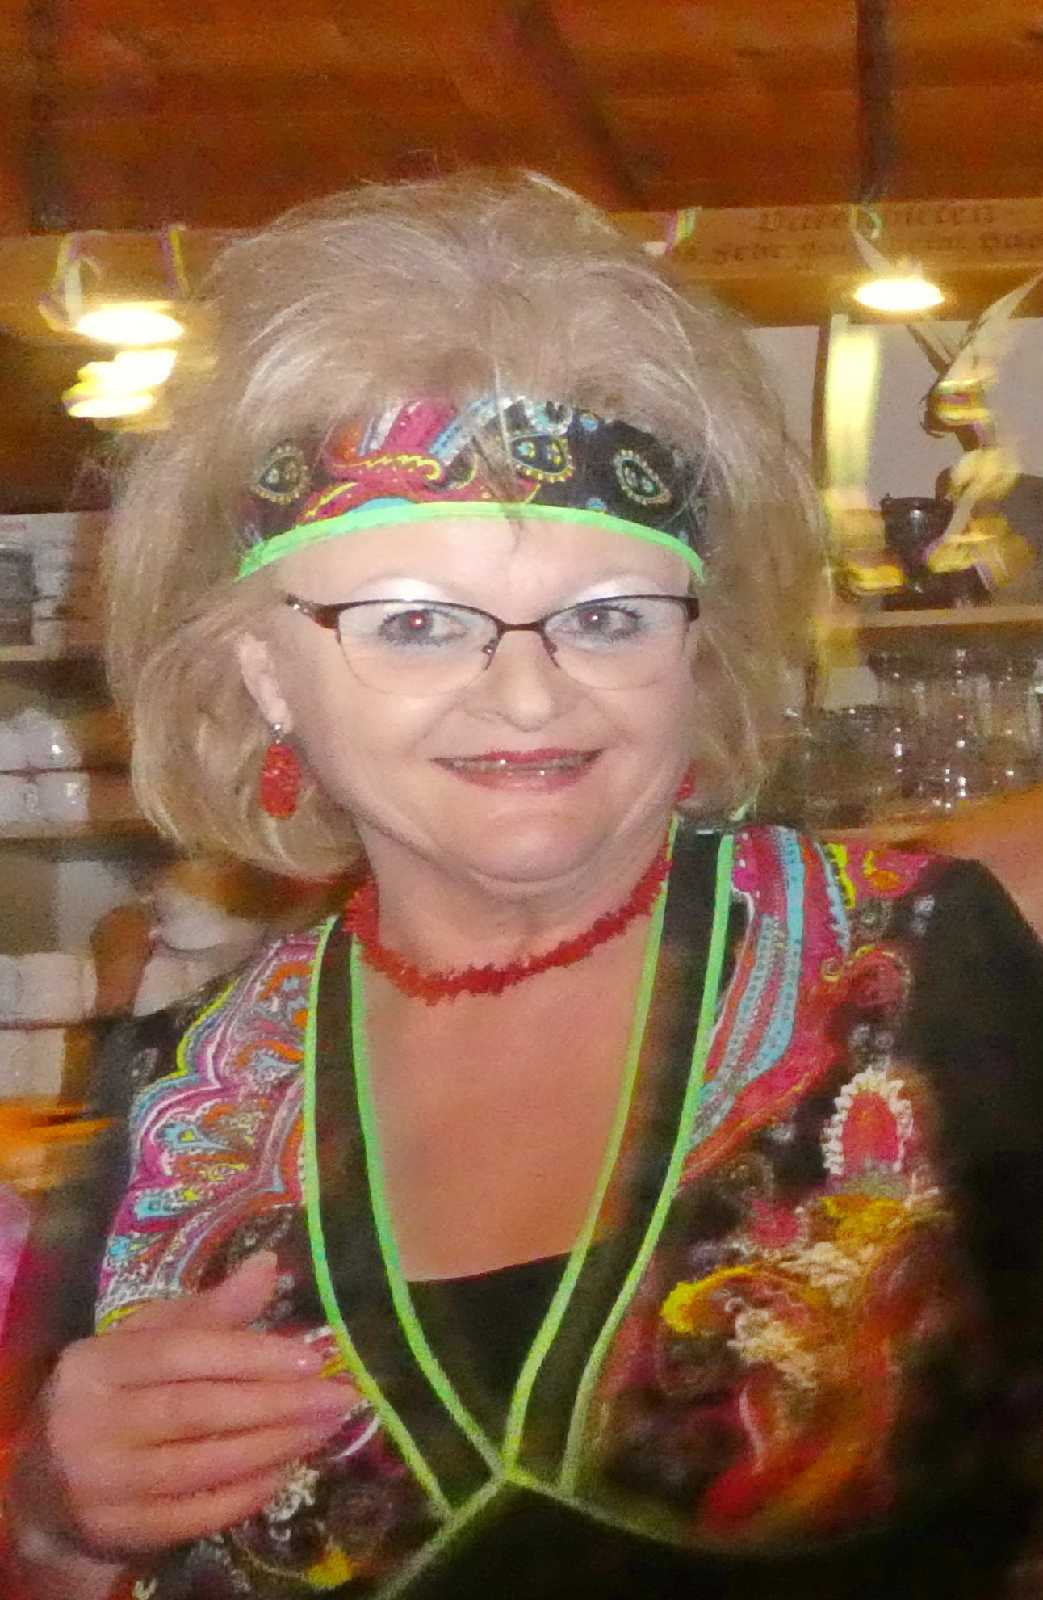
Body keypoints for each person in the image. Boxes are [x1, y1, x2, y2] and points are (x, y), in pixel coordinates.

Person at [4, 172, 1043, 1600]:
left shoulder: (922, 972)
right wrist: (59, 1518)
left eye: (606, 616)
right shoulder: (181, 1097)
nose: (529, 694)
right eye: (416, 624)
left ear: (696, 647)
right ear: (266, 673)